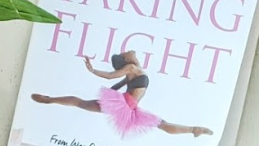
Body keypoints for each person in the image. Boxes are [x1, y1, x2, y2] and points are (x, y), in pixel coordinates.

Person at [31, 51, 213, 138]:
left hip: (130, 107)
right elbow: (111, 76)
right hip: (124, 104)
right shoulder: (132, 68)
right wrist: (93, 70)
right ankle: (49, 99)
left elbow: (120, 83)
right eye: (126, 53)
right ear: (127, 60)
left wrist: (112, 92)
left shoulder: (135, 69)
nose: (130, 51)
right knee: (82, 103)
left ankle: (193, 129)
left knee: (161, 124)